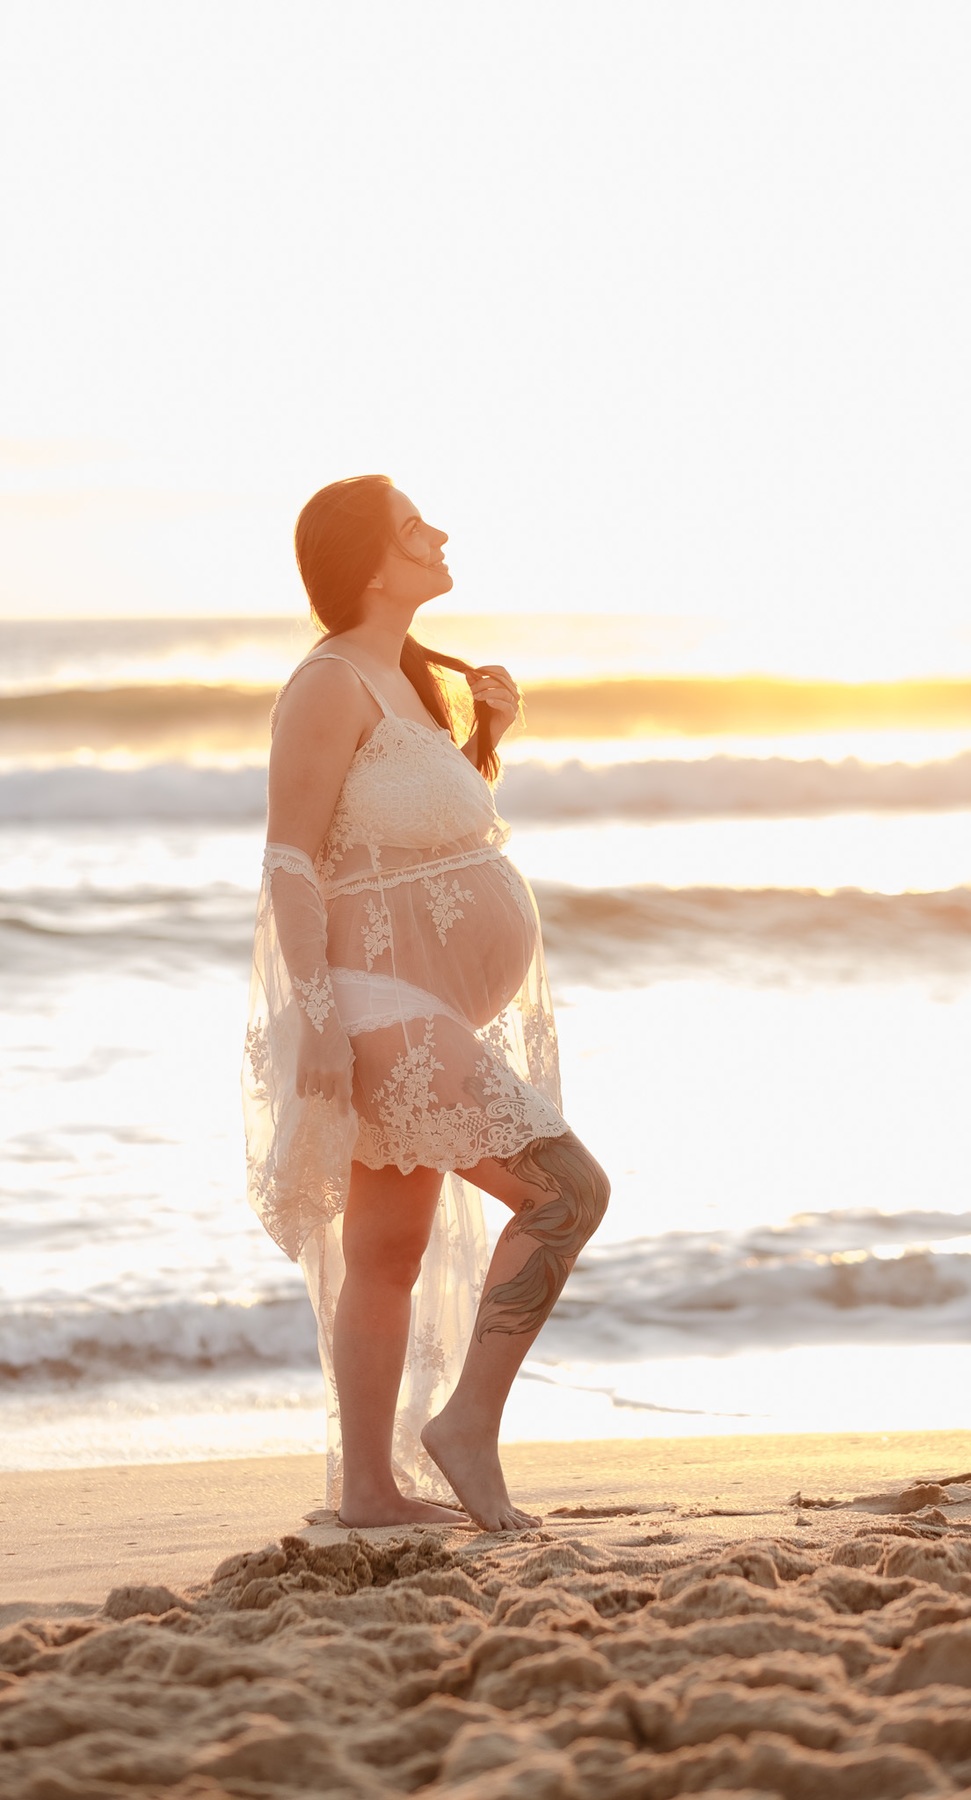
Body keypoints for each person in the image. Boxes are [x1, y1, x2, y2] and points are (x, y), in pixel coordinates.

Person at [243, 474, 609, 1532]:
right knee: (566, 1193)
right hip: (371, 1003)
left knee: (387, 1250)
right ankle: (466, 1429)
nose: (438, 534)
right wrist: (316, 1017)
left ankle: (369, 1490)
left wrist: (484, 742)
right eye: (413, 528)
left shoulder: (404, 677)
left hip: (418, 1006)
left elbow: (415, 841)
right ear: (368, 564)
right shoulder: (327, 684)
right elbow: (291, 860)